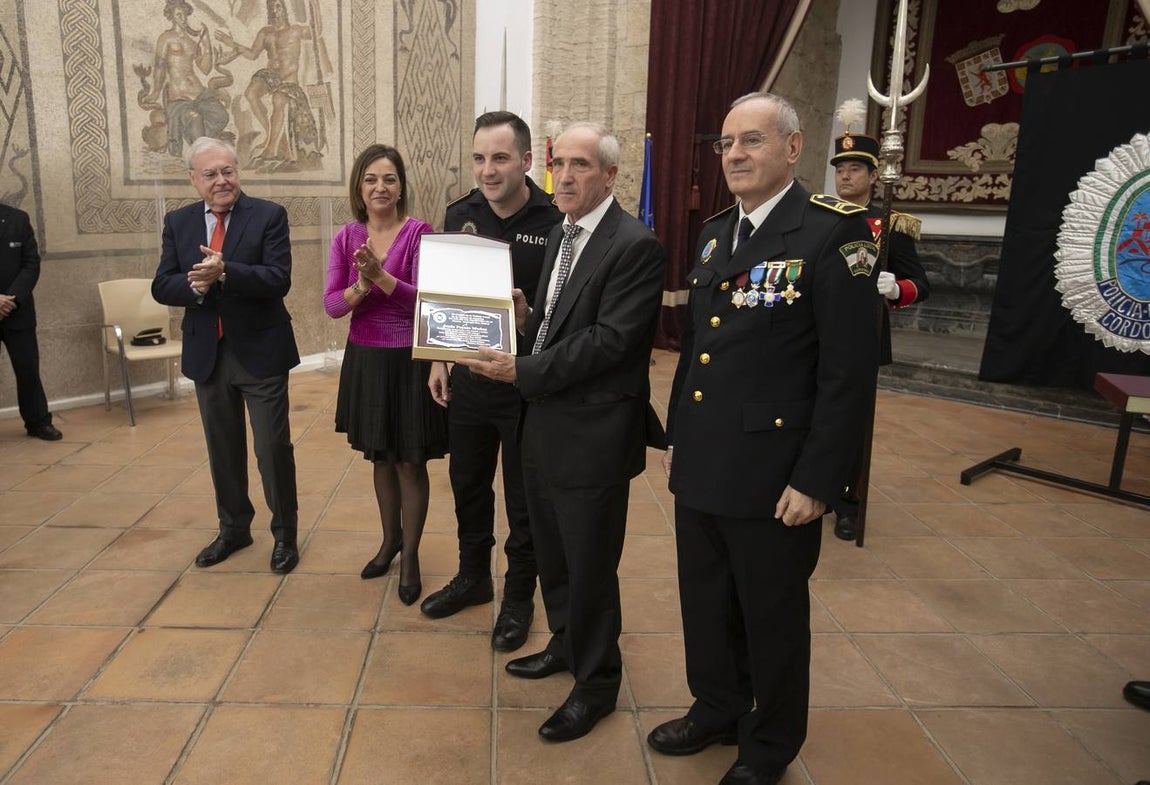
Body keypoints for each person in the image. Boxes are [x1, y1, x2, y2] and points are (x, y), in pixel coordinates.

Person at [650, 93, 879, 785]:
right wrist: (679, 441)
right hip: (707, 461)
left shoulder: (834, 235)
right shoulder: (718, 232)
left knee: (770, 617)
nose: (736, 155)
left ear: (792, 147)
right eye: (726, 145)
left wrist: (818, 480)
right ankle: (715, 705)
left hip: (777, 474)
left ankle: (768, 743)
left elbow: (847, 376)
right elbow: (699, 352)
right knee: (706, 598)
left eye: (752, 141)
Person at [457, 122, 665, 743]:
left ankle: (598, 683)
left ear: (610, 175)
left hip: (595, 433)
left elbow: (610, 343)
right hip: (543, 423)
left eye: (580, 165)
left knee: (591, 564)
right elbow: (556, 323)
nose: (566, 176)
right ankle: (567, 646)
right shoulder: (562, 233)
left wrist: (519, 368)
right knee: (554, 554)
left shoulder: (635, 245)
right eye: (559, 165)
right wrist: (523, 320)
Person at [422, 111, 562, 651]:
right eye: (479, 158)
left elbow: (562, 314)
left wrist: (528, 329)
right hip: (470, 383)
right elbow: (442, 293)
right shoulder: (461, 214)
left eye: (500, 158)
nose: (487, 169)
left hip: (526, 386)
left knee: (524, 499)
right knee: (468, 485)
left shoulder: (554, 222)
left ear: (527, 162)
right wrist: (437, 358)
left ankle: (520, 596)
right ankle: (472, 576)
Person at [152, 136, 301, 574]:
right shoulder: (178, 223)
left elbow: (278, 279)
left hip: (261, 352)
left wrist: (226, 272)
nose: (222, 181)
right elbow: (162, 284)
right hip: (208, 354)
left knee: (272, 449)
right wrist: (195, 286)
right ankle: (234, 529)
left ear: (239, 171)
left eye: (228, 171)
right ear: (193, 179)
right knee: (223, 448)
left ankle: (285, 537)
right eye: (211, 173)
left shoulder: (269, 216)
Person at [323, 143, 447, 606]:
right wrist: (362, 282)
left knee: (410, 461)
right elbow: (334, 306)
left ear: (400, 187)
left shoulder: (419, 233)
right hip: (367, 360)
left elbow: (424, 301)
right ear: (359, 186)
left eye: (390, 179)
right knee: (380, 458)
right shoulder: (345, 238)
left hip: (409, 358)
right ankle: (389, 541)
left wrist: (381, 278)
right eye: (371, 178)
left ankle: (411, 556)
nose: (381, 186)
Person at [829, 123, 930, 541]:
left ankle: (848, 502)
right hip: (813, 333)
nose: (846, 176)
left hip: (861, 339)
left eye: (856, 169)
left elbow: (920, 283)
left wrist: (896, 289)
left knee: (851, 425)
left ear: (874, 176)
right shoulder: (816, 217)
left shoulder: (890, 224)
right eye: (841, 168)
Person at [216, 0, 319, 168]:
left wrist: (316, 7)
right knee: (251, 93)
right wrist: (232, 44)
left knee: (279, 99)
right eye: (272, 7)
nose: (275, 10)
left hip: (288, 79)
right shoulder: (266, 32)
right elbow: (252, 54)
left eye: (278, 6)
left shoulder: (296, 30)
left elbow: (317, 32)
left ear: (284, 9)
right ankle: (268, 131)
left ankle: (271, 148)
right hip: (271, 76)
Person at [0, 203, 61, 441]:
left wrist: (9, 299)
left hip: (18, 311)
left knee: (28, 370)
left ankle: (37, 422)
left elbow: (31, 264)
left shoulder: (18, 218)